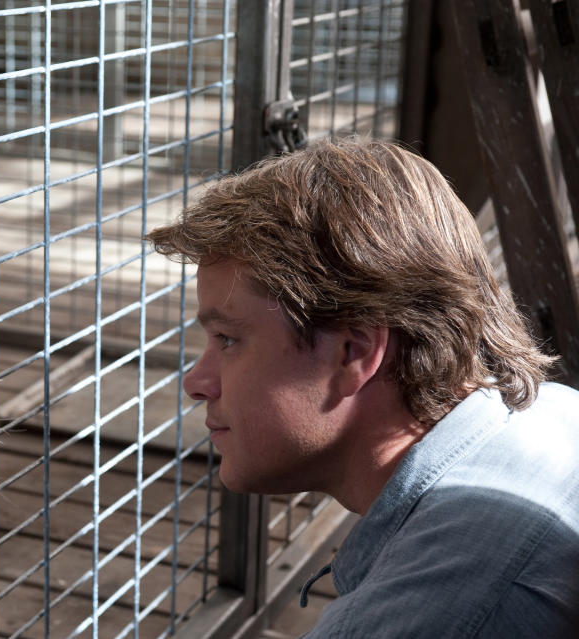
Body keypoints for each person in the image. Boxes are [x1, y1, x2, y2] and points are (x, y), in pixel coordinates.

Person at [146, 138, 579, 637]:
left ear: (353, 353)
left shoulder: (424, 619)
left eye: (227, 340)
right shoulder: (552, 411)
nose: (196, 383)